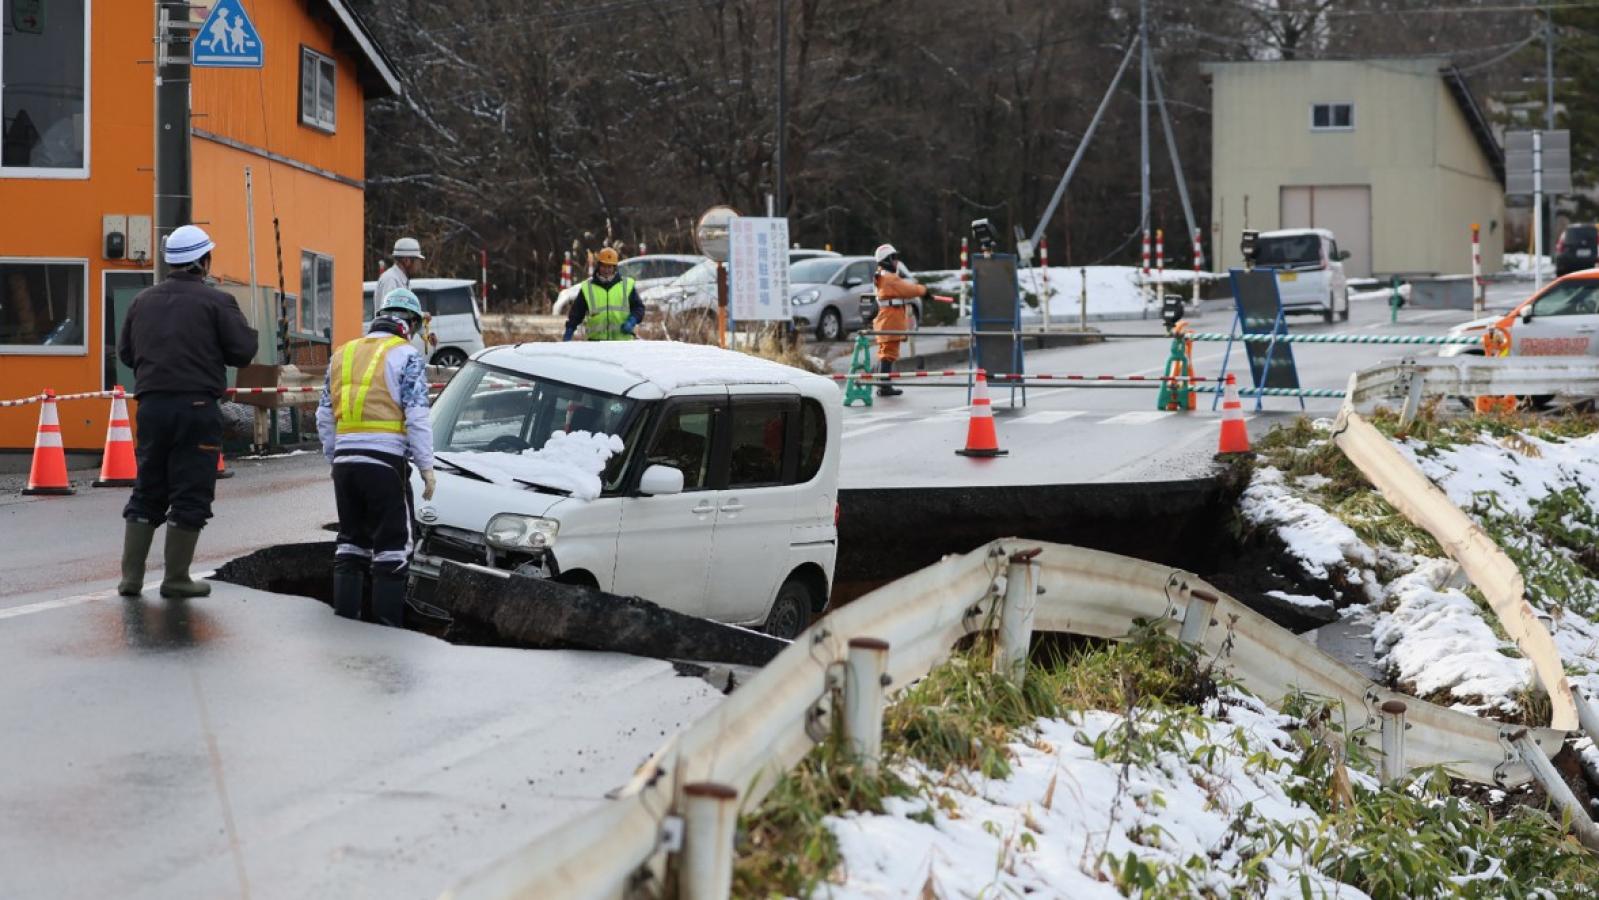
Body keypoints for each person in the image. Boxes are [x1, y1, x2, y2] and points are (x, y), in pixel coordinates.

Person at [117, 225, 259, 598]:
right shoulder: (216, 302)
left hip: (151, 407)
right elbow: (242, 351)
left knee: (148, 487)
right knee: (191, 491)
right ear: (203, 261)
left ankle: (130, 580)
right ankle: (175, 578)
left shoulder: (141, 301)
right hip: (196, 408)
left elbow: (127, 354)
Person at [316, 289, 437, 627]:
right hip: (385, 461)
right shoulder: (406, 356)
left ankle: (347, 622)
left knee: (351, 541)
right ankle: (386, 630)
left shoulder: (343, 353)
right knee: (393, 546)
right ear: (409, 324)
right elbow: (417, 416)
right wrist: (426, 468)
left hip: (345, 462)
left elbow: (324, 416)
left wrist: (335, 457)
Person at [871, 243, 933, 397]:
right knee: (888, 354)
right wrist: (924, 291)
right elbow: (908, 289)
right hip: (890, 320)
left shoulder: (881, 275)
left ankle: (883, 384)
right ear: (886, 259)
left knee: (885, 353)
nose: (896, 262)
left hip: (886, 319)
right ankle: (884, 386)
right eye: (894, 258)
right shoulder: (889, 278)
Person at [563, 247, 644, 341]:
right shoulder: (588, 288)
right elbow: (576, 313)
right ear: (599, 266)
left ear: (615, 268)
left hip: (622, 343)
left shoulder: (627, 286)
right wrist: (570, 329)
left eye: (609, 267)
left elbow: (639, 308)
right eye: (604, 266)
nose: (606, 270)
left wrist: (632, 320)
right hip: (595, 343)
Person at [375, 236, 425, 306]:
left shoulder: (402, 280)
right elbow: (388, 312)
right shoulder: (391, 279)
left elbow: (404, 310)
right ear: (406, 260)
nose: (418, 265)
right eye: (417, 261)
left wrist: (420, 315)